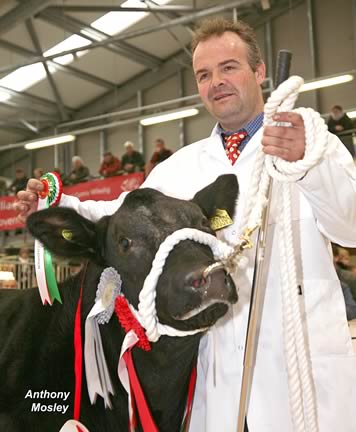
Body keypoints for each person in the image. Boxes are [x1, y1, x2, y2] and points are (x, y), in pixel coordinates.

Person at [14, 17, 356, 432]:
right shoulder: (179, 167)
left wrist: (306, 166)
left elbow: (350, 228)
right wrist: (57, 202)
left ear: (260, 71)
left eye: (229, 67)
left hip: (304, 373)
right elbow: (116, 216)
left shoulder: (312, 143)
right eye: (204, 75)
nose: (217, 83)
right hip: (217, 378)